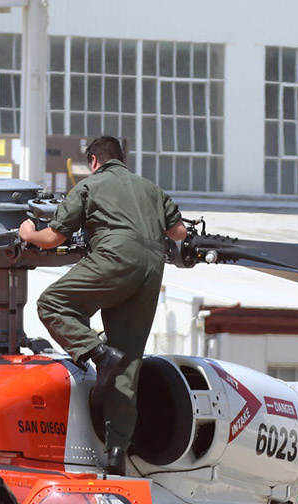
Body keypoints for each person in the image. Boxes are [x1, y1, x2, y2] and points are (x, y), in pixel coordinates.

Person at [19, 136, 189, 476]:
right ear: (121, 159)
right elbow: (179, 232)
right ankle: (115, 454)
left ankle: (97, 355)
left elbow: (54, 237)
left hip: (115, 260)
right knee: (127, 367)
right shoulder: (151, 189)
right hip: (152, 272)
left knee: (52, 303)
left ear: (94, 161)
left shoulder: (90, 186)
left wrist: (28, 233)